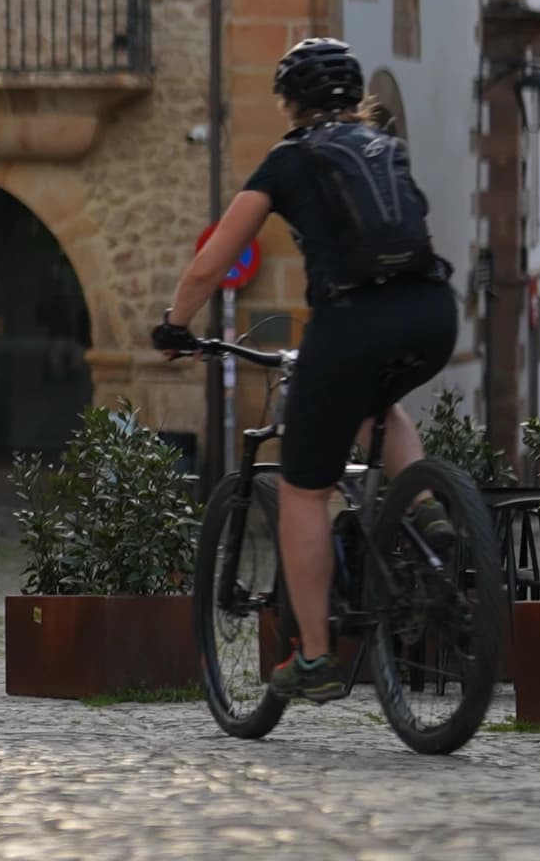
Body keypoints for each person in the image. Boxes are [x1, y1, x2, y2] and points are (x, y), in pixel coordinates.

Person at [154, 38, 459, 705]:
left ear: (290, 103)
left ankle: (317, 657)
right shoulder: (386, 148)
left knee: (302, 486)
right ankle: (432, 515)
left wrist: (176, 323)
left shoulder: (291, 160)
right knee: (379, 404)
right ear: (356, 99)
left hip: (353, 322)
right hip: (434, 312)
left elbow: (212, 261)